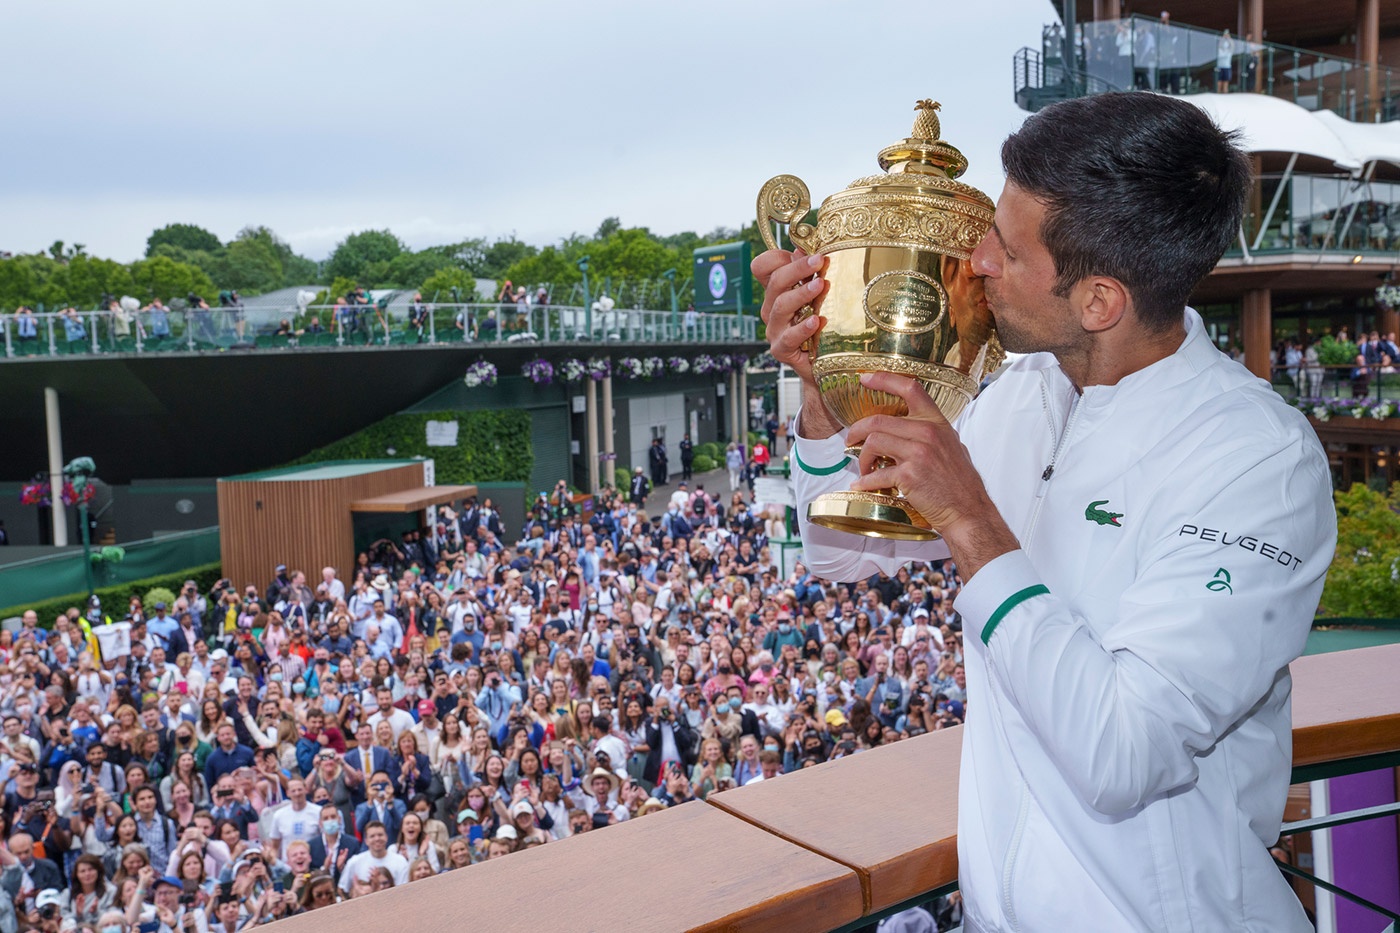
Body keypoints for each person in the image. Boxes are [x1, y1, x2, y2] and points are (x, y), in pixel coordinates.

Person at [756, 92, 1335, 930]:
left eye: (1004, 246)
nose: (976, 259)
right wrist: (820, 389)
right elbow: (845, 554)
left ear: (1099, 301)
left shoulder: (1258, 459)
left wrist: (970, 520)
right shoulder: (1023, 392)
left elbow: (1123, 753)